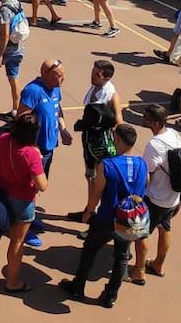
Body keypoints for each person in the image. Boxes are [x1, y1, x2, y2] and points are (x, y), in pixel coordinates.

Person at [59, 123, 148, 309]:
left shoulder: (107, 165)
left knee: (90, 248)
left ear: (117, 140)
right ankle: (110, 295)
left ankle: (78, 285)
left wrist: (88, 212)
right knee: (122, 256)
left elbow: (96, 193)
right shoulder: (142, 163)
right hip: (129, 219)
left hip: (108, 217)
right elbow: (145, 184)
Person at [0, 112, 46, 294]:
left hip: (0, 192)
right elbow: (42, 185)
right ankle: (12, 281)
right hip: (23, 199)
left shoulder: (2, 139)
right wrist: (39, 160)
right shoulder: (31, 153)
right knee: (17, 241)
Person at [18, 59, 72, 248]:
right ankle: (23, 228)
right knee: (28, 187)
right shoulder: (33, 91)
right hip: (36, 152)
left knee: (36, 189)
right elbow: (21, 119)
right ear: (46, 74)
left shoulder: (55, 88)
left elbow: (58, 111)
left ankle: (30, 218)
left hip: (48, 149)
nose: (63, 79)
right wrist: (32, 148)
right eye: (59, 75)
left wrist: (63, 130)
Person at [131, 105, 181, 282]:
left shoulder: (154, 145)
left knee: (141, 234)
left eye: (145, 117)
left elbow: (148, 176)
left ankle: (139, 272)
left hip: (155, 198)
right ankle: (158, 265)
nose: (142, 118)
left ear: (154, 123)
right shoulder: (174, 134)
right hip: (172, 197)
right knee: (165, 229)